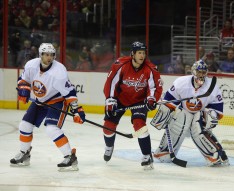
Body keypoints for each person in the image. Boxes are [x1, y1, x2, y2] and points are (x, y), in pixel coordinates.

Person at [10, 43, 86, 171]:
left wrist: (77, 110)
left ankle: (70, 157)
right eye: (46, 55)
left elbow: (70, 92)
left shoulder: (59, 71)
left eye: (51, 55)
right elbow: (23, 80)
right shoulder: (31, 65)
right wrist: (23, 89)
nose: (49, 57)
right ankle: (24, 154)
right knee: (24, 125)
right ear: (40, 55)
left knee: (51, 129)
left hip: (57, 101)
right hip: (40, 101)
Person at [152, 59, 229, 167]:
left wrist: (212, 116)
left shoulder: (212, 87)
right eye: (199, 72)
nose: (201, 75)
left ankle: (215, 155)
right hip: (183, 115)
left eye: (203, 72)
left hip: (199, 117)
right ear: (193, 72)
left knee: (198, 123)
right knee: (182, 116)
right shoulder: (181, 82)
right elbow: (168, 102)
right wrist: (164, 115)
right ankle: (164, 152)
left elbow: (218, 109)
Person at [102, 41, 163, 170]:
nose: (142, 56)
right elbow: (111, 83)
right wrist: (110, 100)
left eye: (143, 53)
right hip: (119, 99)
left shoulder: (150, 69)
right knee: (108, 126)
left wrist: (151, 99)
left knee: (139, 125)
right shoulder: (121, 64)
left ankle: (147, 156)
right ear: (133, 54)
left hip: (139, 101)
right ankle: (109, 146)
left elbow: (154, 87)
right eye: (139, 53)